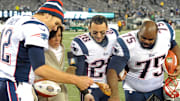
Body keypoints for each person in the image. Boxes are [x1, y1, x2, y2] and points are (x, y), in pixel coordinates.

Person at [0, 0, 93, 101]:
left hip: (4, 81)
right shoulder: (38, 27)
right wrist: (77, 80)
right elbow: (40, 68)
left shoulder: (14, 20)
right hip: (16, 85)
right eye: (56, 23)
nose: (54, 28)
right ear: (47, 15)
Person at [107, 21, 180, 101]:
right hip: (134, 92)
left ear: (157, 35)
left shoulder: (165, 34)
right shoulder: (127, 43)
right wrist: (114, 96)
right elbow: (112, 70)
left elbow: (173, 45)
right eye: (143, 38)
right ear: (139, 31)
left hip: (158, 88)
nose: (146, 41)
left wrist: (179, 63)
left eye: (150, 39)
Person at [70, 15, 119, 101]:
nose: (99, 36)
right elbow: (79, 73)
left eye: (102, 32)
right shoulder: (81, 43)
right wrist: (85, 92)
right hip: (90, 87)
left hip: (107, 86)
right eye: (95, 32)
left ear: (107, 28)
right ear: (89, 28)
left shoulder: (113, 35)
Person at [36, 26, 68, 101]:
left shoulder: (62, 48)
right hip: (45, 91)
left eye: (59, 35)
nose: (57, 39)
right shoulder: (40, 50)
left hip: (60, 90)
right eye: (53, 36)